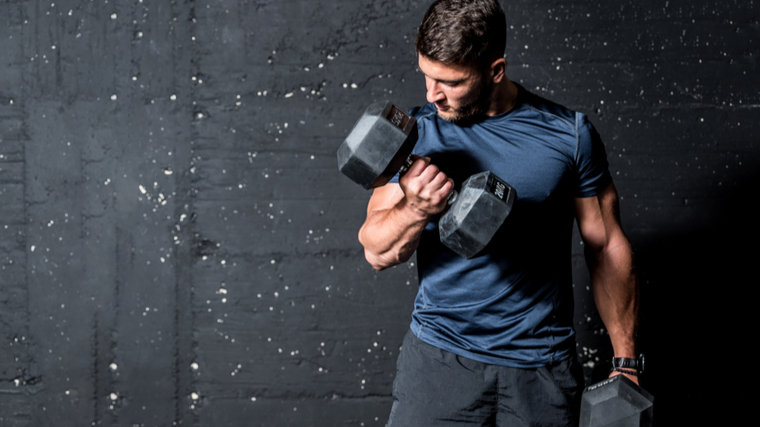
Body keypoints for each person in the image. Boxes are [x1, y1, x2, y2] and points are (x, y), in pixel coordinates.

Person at [357, 0, 640, 426]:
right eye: (426, 75)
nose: (431, 94)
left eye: (449, 82)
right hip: (438, 362)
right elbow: (377, 252)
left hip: (541, 369)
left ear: (495, 70)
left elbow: (606, 246)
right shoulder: (414, 135)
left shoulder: (569, 136)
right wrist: (415, 207)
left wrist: (626, 361)